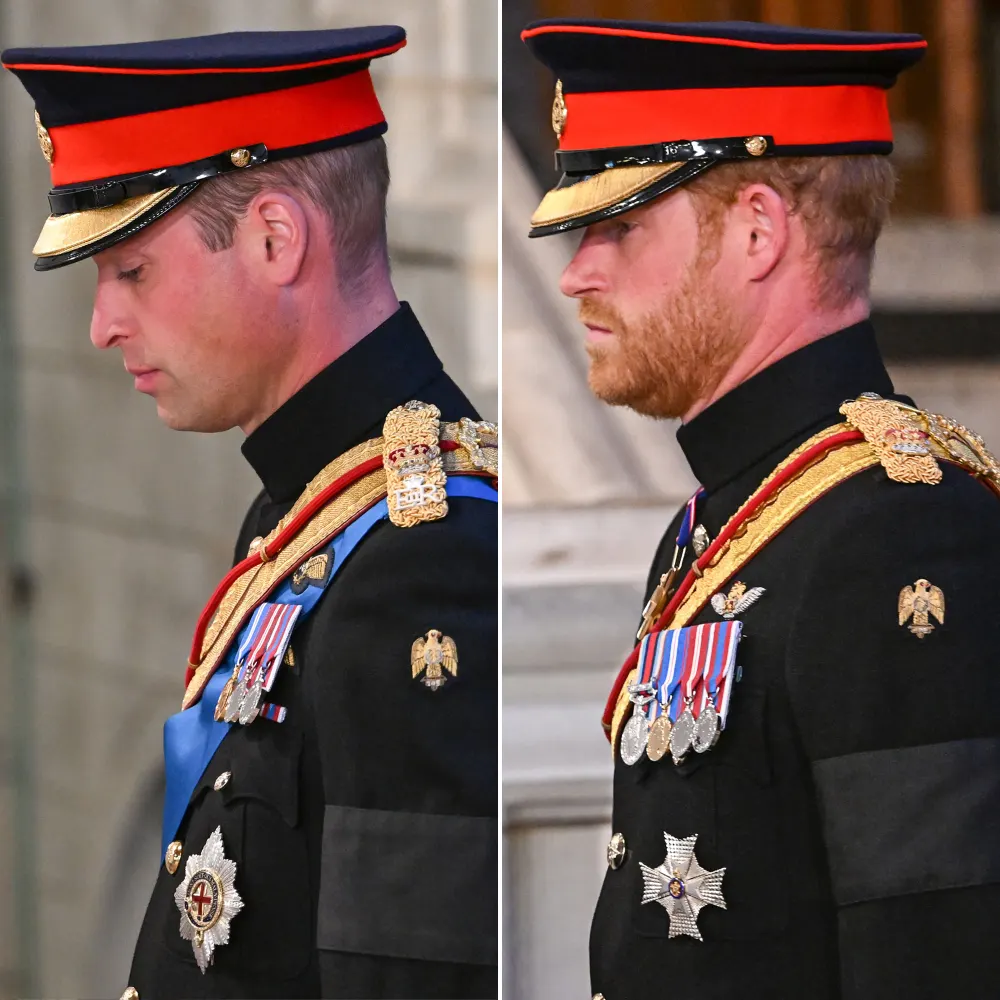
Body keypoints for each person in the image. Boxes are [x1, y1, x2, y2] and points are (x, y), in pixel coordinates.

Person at [4, 27, 498, 1000]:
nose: (102, 324)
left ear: (276, 239)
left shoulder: (420, 556)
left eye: (132, 270)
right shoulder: (316, 507)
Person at [522, 17, 1000, 1000]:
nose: (577, 273)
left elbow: (936, 954)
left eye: (618, 227)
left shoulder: (895, 532)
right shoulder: (731, 523)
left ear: (755, 231)